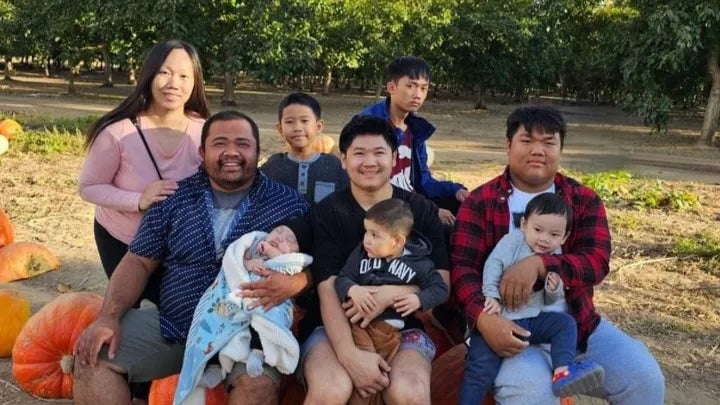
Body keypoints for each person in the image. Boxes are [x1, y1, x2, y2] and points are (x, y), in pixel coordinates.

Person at [72, 110, 310, 405]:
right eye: (220, 143)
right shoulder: (173, 199)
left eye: (243, 144)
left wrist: (297, 282)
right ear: (202, 151)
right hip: (175, 323)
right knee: (91, 357)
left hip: (248, 330)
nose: (231, 152)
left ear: (258, 152)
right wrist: (107, 317)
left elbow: (316, 264)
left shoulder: (288, 203)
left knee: (258, 386)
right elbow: (138, 261)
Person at [451, 106, 665, 404]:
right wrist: (486, 322)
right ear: (508, 146)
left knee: (644, 378)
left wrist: (541, 264)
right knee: (533, 392)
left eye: (548, 142)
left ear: (560, 148)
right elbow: (463, 269)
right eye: (526, 141)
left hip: (576, 326)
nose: (537, 150)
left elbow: (596, 261)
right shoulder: (480, 202)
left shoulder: (583, 200)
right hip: (510, 333)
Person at [298, 115, 450, 404]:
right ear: (343, 160)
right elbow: (328, 287)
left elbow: (442, 282)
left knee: (409, 390)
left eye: (379, 153)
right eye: (359, 153)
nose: (369, 162)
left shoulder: (420, 210)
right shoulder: (328, 213)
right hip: (332, 328)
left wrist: (391, 294)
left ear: (394, 158)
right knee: (332, 388)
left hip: (403, 327)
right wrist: (350, 356)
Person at [79, 39, 210, 308]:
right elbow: (89, 187)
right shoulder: (118, 132)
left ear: (195, 82)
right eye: (165, 72)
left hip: (178, 244)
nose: (174, 83)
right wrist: (138, 200)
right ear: (149, 75)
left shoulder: (205, 131)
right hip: (124, 239)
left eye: (184, 76)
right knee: (132, 310)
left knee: (176, 312)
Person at [459, 193, 604, 403]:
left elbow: (549, 302)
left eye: (554, 234)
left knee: (565, 324)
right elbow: (493, 265)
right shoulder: (513, 241)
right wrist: (490, 295)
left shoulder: (556, 254)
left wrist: (553, 289)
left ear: (564, 237)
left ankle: (562, 371)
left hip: (529, 320)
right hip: (498, 317)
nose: (545, 239)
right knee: (479, 372)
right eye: (538, 230)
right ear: (524, 225)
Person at [176, 222, 313, 403]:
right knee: (216, 326)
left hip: (259, 304)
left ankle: (257, 352)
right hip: (216, 304)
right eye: (278, 232)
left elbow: (299, 267)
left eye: (289, 239)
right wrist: (247, 262)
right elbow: (235, 257)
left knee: (264, 321)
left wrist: (277, 259)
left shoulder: (287, 251)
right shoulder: (253, 243)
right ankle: (217, 367)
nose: (280, 237)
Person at [335, 198, 449, 405]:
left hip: (393, 332)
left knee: (386, 378)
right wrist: (353, 289)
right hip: (360, 327)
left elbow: (440, 289)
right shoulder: (361, 254)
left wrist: (418, 298)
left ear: (398, 241)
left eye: (375, 235)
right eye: (366, 232)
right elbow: (342, 278)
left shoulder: (420, 264)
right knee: (365, 381)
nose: (366, 240)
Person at [359, 55, 468, 225]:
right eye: (411, 86)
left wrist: (456, 190)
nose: (418, 95)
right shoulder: (368, 124)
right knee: (440, 227)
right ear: (391, 87)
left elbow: (423, 182)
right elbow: (372, 186)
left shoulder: (415, 130)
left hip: (410, 202)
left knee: (465, 208)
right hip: (382, 207)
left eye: (424, 88)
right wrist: (430, 210)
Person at [261, 92, 348, 204]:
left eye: (304, 121)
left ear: (318, 127)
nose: (297, 128)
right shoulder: (272, 166)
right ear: (280, 129)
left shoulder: (334, 166)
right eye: (289, 122)